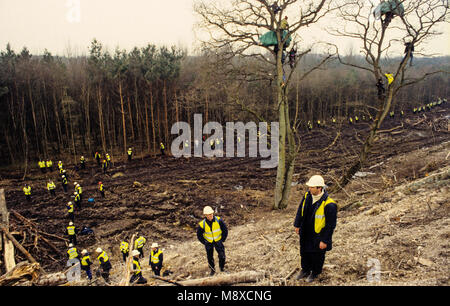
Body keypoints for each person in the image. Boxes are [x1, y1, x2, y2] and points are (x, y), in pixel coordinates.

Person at [293, 175, 337, 283]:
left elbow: (331, 225)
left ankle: (315, 272)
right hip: (306, 230)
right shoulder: (307, 196)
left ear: (319, 188)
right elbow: (300, 210)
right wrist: (297, 225)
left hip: (319, 234)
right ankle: (305, 270)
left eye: (312, 187)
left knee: (317, 255)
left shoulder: (329, 204)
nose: (309, 189)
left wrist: (325, 240)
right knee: (304, 252)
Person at [197, 206, 228, 276]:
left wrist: (222, 239)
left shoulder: (219, 220)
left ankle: (222, 268)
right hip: (209, 242)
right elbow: (199, 235)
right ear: (205, 215)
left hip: (218, 241)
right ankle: (212, 270)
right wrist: (204, 242)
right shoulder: (202, 224)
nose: (210, 216)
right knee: (210, 257)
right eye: (208, 214)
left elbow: (225, 230)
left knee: (222, 255)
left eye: (211, 214)